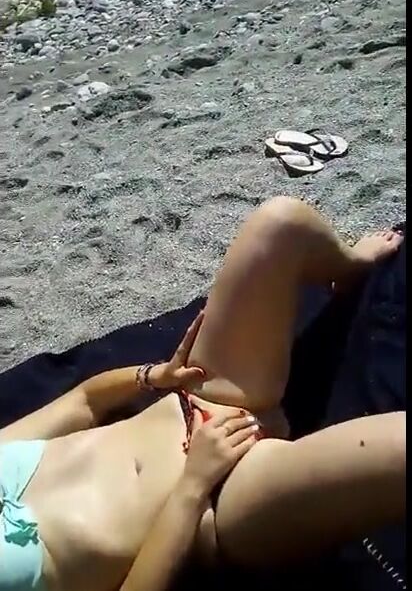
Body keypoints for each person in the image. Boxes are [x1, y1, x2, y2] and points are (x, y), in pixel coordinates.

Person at [0, 197, 405, 591]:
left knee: (280, 224)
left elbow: (84, 401)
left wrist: (154, 376)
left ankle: (352, 267)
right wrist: (193, 485)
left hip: (196, 402)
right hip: (218, 498)